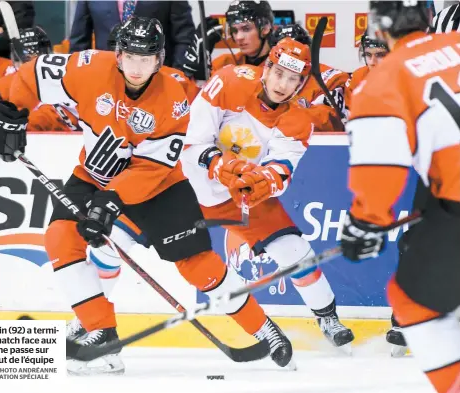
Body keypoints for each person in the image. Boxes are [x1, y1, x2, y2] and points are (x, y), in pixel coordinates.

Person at [0, 16, 294, 375]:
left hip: (159, 186)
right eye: (131, 57)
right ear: (117, 54)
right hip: (94, 174)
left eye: (147, 59)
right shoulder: (87, 67)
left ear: (159, 58)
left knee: (198, 265)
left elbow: (152, 167)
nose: (137, 68)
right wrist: (6, 112)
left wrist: (112, 200)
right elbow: (32, 74)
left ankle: (264, 329)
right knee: (60, 237)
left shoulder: (173, 97)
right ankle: (100, 333)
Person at [180, 38, 355, 353]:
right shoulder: (229, 81)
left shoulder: (298, 120)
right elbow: (190, 140)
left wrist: (264, 181)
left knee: (295, 250)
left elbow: (282, 168)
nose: (283, 84)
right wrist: (218, 163)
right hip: (182, 187)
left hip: (235, 198)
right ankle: (90, 318)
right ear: (267, 68)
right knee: (121, 233)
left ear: (301, 83)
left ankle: (328, 318)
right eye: (278, 74)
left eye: (292, 79)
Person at [340, 2, 460, 392]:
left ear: (378, 26)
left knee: (410, 299)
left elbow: (380, 172)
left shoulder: (382, 79)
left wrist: (366, 223)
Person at [68, 0, 195, 69]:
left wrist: (177, 74)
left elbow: (184, 36)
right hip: (105, 76)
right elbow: (79, 41)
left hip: (156, 77)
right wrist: (77, 73)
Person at [270, 23, 350, 131]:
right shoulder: (263, 76)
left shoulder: (330, 78)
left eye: (297, 52)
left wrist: (285, 115)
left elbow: (331, 122)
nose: (291, 58)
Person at [180, 0, 273, 81]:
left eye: (246, 29)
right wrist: (199, 70)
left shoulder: (279, 67)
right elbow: (199, 96)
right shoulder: (224, 63)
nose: (238, 37)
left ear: (265, 28)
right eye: (234, 30)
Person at [344, 33, 388, 110]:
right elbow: (351, 111)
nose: (372, 62)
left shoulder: (403, 76)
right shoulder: (359, 76)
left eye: (380, 55)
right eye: (368, 54)